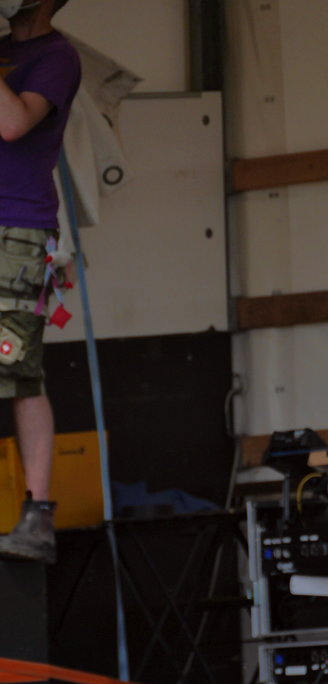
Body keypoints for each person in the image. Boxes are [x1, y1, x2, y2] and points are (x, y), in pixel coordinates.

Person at [0, 0, 80, 564]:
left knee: (17, 369)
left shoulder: (58, 56)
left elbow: (12, 123)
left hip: (17, 231)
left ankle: (37, 515)